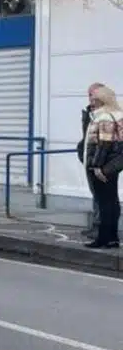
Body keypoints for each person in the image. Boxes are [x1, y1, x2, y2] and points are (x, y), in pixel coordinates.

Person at [82, 83, 123, 249]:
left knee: (104, 202)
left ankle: (103, 238)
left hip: (102, 166)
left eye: (93, 97)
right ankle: (112, 238)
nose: (91, 100)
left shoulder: (104, 116)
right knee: (112, 201)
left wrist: (97, 166)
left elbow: (104, 143)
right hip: (113, 165)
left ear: (101, 99)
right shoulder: (118, 114)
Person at [80, 83, 105, 239]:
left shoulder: (107, 114)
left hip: (101, 162)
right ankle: (96, 226)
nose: (91, 98)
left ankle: (102, 228)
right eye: (89, 95)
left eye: (93, 95)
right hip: (90, 159)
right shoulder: (89, 113)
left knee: (103, 196)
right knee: (96, 194)